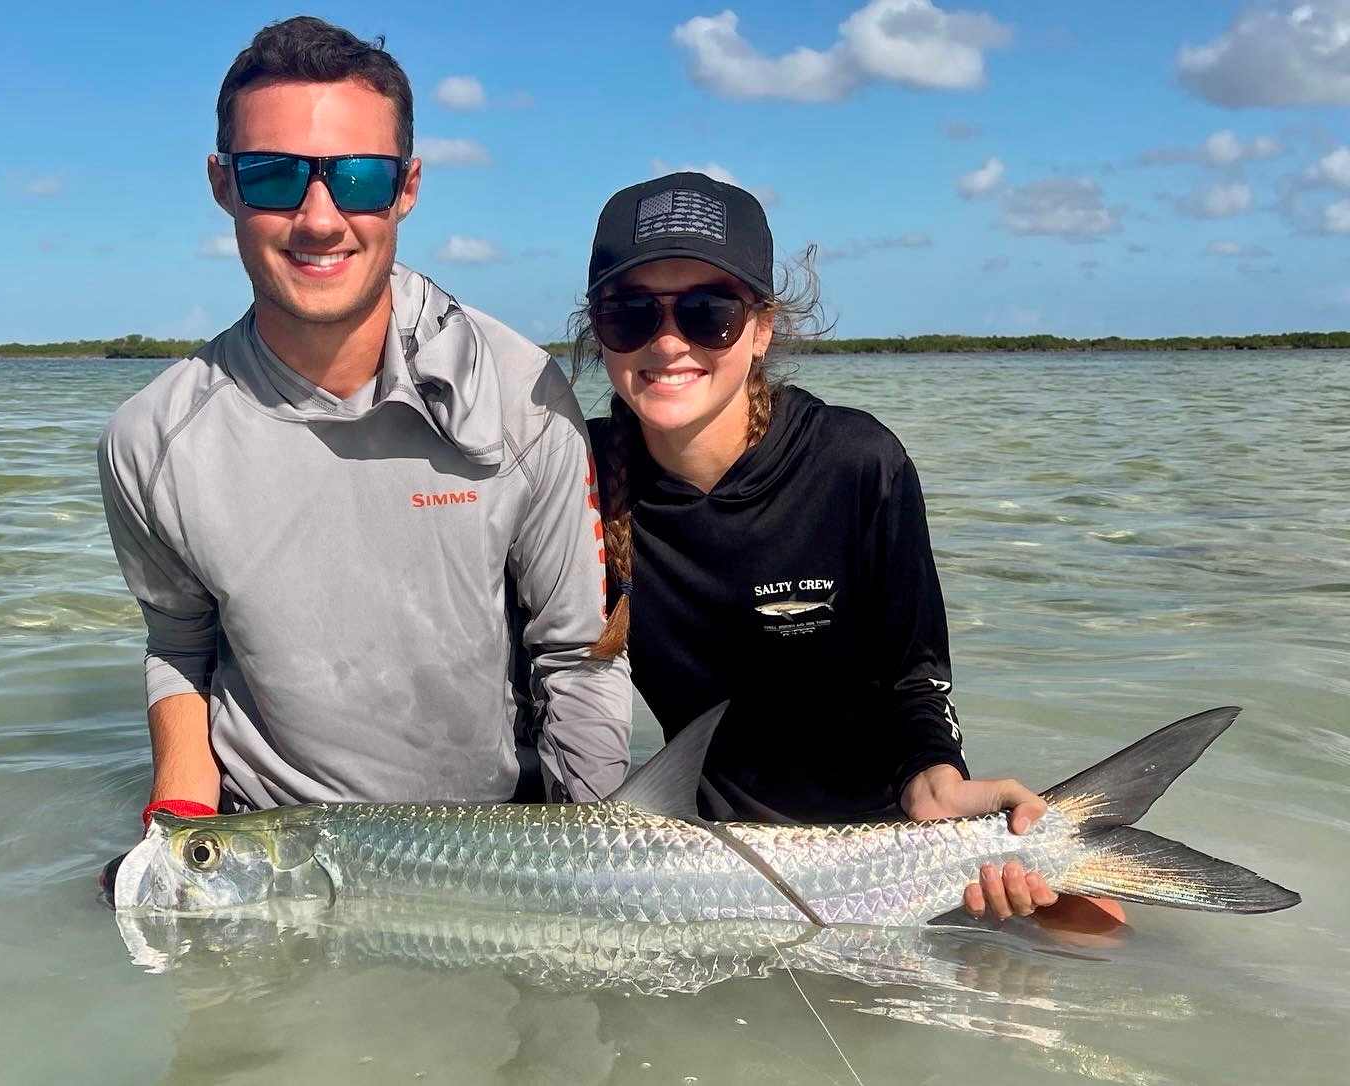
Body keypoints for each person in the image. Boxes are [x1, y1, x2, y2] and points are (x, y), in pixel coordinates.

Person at [97, 17, 630, 828]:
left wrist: (594, 853)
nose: (318, 218)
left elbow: (578, 656)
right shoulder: (149, 439)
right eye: (274, 176)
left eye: (358, 178)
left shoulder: (519, 390)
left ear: (407, 187)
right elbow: (179, 648)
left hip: (492, 842)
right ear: (222, 184)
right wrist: (179, 823)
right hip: (269, 840)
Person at [574, 172, 1105, 923]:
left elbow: (917, 674)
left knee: (1097, 932)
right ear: (598, 332)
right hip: (709, 865)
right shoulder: (575, 478)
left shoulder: (856, 462)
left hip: (892, 841)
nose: (668, 342)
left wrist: (938, 778)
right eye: (630, 313)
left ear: (760, 328)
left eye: (707, 312)